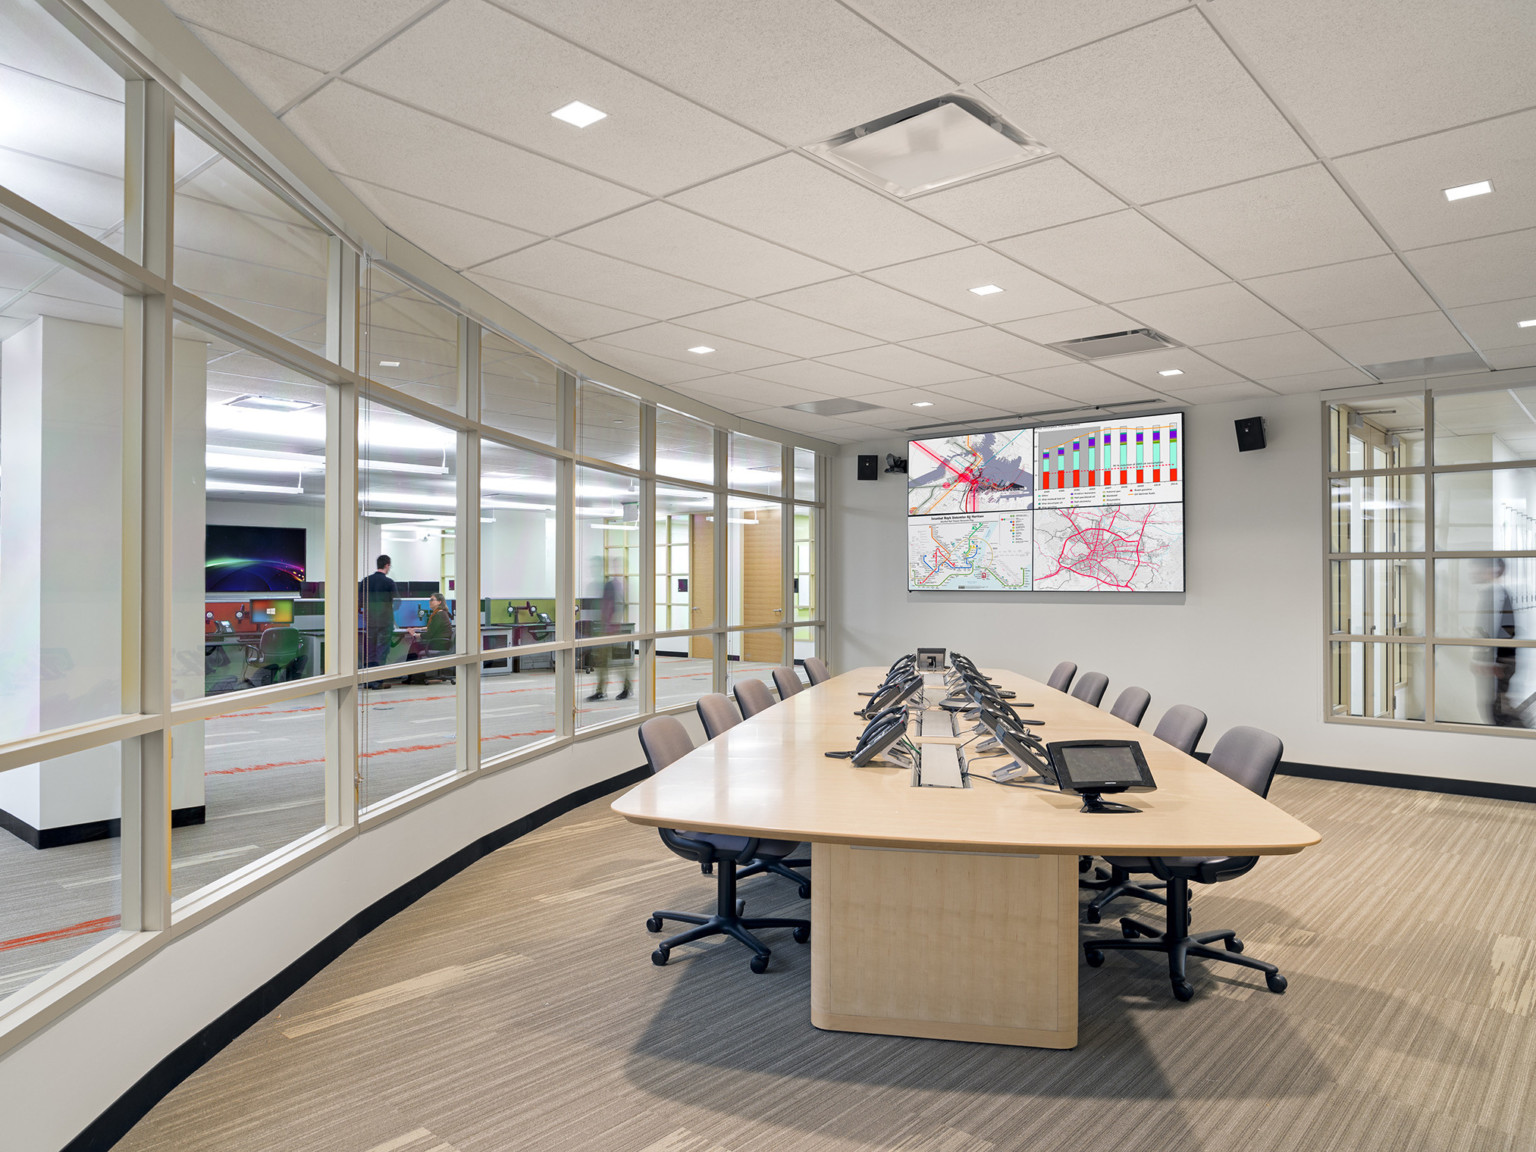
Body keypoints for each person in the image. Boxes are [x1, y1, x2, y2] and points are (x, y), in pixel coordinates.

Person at [1474, 558, 1522, 727]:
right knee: (1497, 705)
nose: (1476, 572)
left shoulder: (1495, 593)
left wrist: (1494, 662)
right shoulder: (1497, 592)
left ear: (1495, 571)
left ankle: (1519, 740)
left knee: (1497, 709)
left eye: (1481, 568)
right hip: (1504, 658)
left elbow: (1499, 630)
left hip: (1502, 659)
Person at [587, 568, 631, 702]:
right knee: (602, 662)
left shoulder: (610, 587)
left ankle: (626, 687)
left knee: (616, 663)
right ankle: (601, 691)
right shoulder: (604, 587)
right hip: (604, 630)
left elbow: (619, 607)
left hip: (612, 631)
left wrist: (614, 624)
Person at [360, 554, 398, 690]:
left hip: (369, 622)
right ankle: (377, 682)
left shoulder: (365, 581)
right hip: (384, 622)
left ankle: (369, 680)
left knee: (370, 651)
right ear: (387, 565)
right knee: (381, 652)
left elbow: (359, 602)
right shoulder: (389, 582)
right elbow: (397, 603)